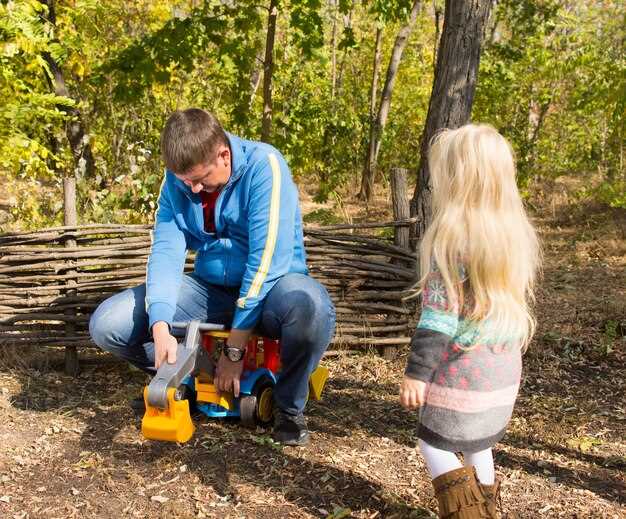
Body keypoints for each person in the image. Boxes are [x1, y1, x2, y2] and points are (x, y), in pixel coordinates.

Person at [89, 108, 336, 446]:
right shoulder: (179, 181)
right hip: (211, 290)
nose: (191, 188)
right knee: (107, 325)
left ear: (223, 155)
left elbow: (265, 264)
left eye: (199, 179)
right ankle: (185, 380)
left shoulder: (266, 167)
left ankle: (287, 406)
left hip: (274, 293)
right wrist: (159, 325)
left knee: (311, 309)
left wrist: (234, 352)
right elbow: (165, 251)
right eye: (183, 180)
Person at [399, 124, 541, 518]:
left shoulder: (452, 238)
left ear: (458, 181)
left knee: (434, 444)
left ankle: (468, 515)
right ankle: (487, 510)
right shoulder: (513, 234)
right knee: (479, 444)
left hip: (465, 373)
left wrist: (417, 374)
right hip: (503, 371)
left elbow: (438, 319)